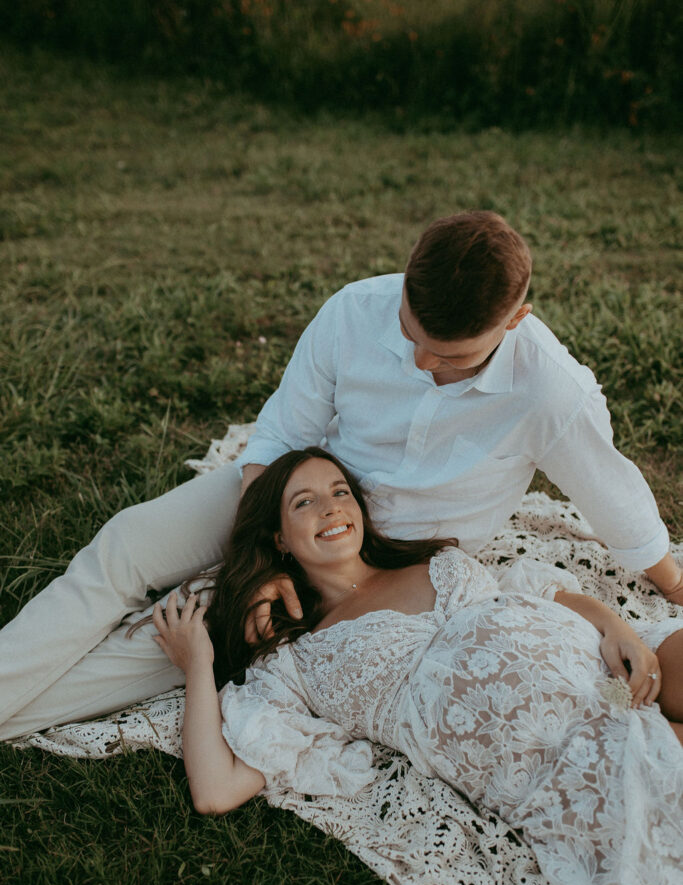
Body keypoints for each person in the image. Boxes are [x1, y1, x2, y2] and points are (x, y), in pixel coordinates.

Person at [1, 210, 681, 740]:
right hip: (290, 496)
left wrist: (671, 582)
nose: (418, 362)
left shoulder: (552, 393)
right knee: (125, 543)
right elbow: (281, 437)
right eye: (411, 333)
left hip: (379, 564)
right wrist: (257, 545)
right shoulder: (353, 311)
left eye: (445, 356)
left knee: (183, 628)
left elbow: (612, 496)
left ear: (514, 320)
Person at [153, 448, 683, 885]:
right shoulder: (297, 663)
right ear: (278, 537)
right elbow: (214, 790)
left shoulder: (432, 561)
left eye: (340, 492)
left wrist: (616, 627)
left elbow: (541, 597)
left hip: (607, 670)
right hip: (560, 756)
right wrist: (197, 664)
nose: (332, 508)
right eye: (304, 502)